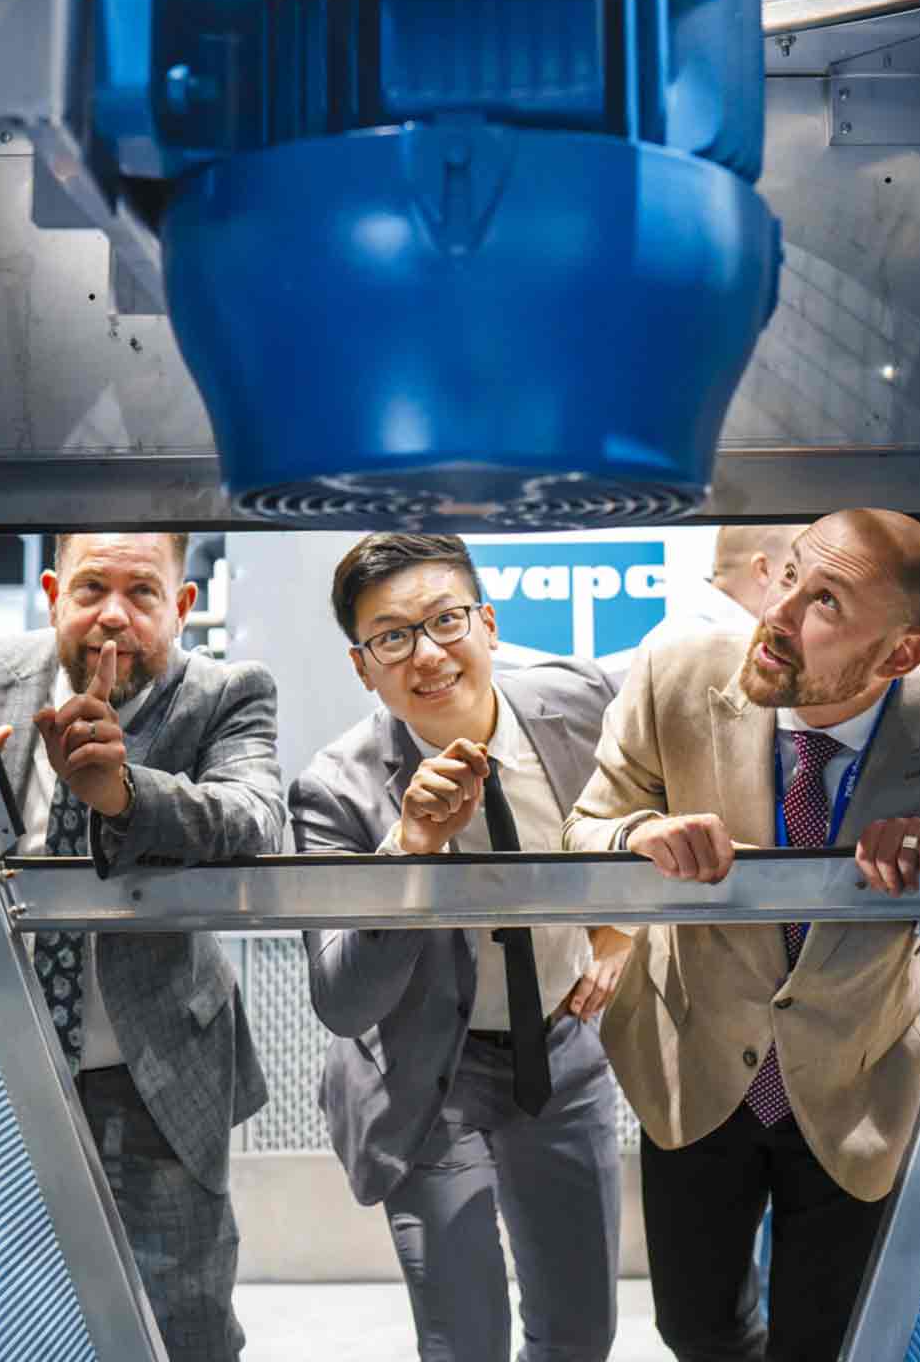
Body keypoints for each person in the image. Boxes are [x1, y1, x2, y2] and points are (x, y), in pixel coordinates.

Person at [563, 509, 920, 1362]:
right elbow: (587, 829)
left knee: (826, 1342)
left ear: (902, 655)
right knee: (697, 1330)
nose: (779, 612)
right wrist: (638, 838)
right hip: (693, 1065)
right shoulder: (674, 674)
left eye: (827, 602)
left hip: (858, 1078)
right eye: (791, 575)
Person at [291, 534, 629, 1362]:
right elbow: (344, 1002)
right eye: (392, 637)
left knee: (581, 1333)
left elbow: (668, 792)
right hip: (425, 1071)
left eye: (446, 620)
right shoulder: (335, 790)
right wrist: (410, 854)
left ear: (489, 624)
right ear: (363, 666)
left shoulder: (583, 703)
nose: (428, 654)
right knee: (465, 1338)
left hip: (563, 1051)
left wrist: (627, 930)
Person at [0, 531, 284, 1362]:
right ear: (53, 595)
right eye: (91, 589)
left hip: (156, 1074)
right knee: (10, 1311)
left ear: (181, 606)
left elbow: (255, 819)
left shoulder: (225, 694)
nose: (113, 615)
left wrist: (122, 795)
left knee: (184, 1319)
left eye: (142, 592)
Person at [637, 525, 804, 657]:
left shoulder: (672, 633)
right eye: (794, 573)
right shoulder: (736, 653)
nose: (809, 586)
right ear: (763, 570)